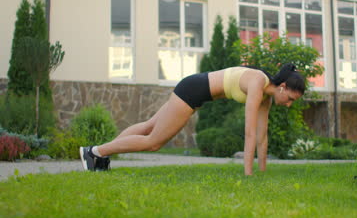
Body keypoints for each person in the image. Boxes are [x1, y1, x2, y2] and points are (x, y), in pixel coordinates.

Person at [80, 63, 305, 175]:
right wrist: (248, 176)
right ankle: (94, 152)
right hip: (192, 90)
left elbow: (261, 137)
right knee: (154, 141)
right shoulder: (258, 83)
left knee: (149, 126)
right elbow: (249, 134)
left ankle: (101, 156)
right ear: (283, 88)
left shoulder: (266, 95)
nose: (289, 104)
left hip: (195, 89)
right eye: (291, 99)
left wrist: (262, 173)